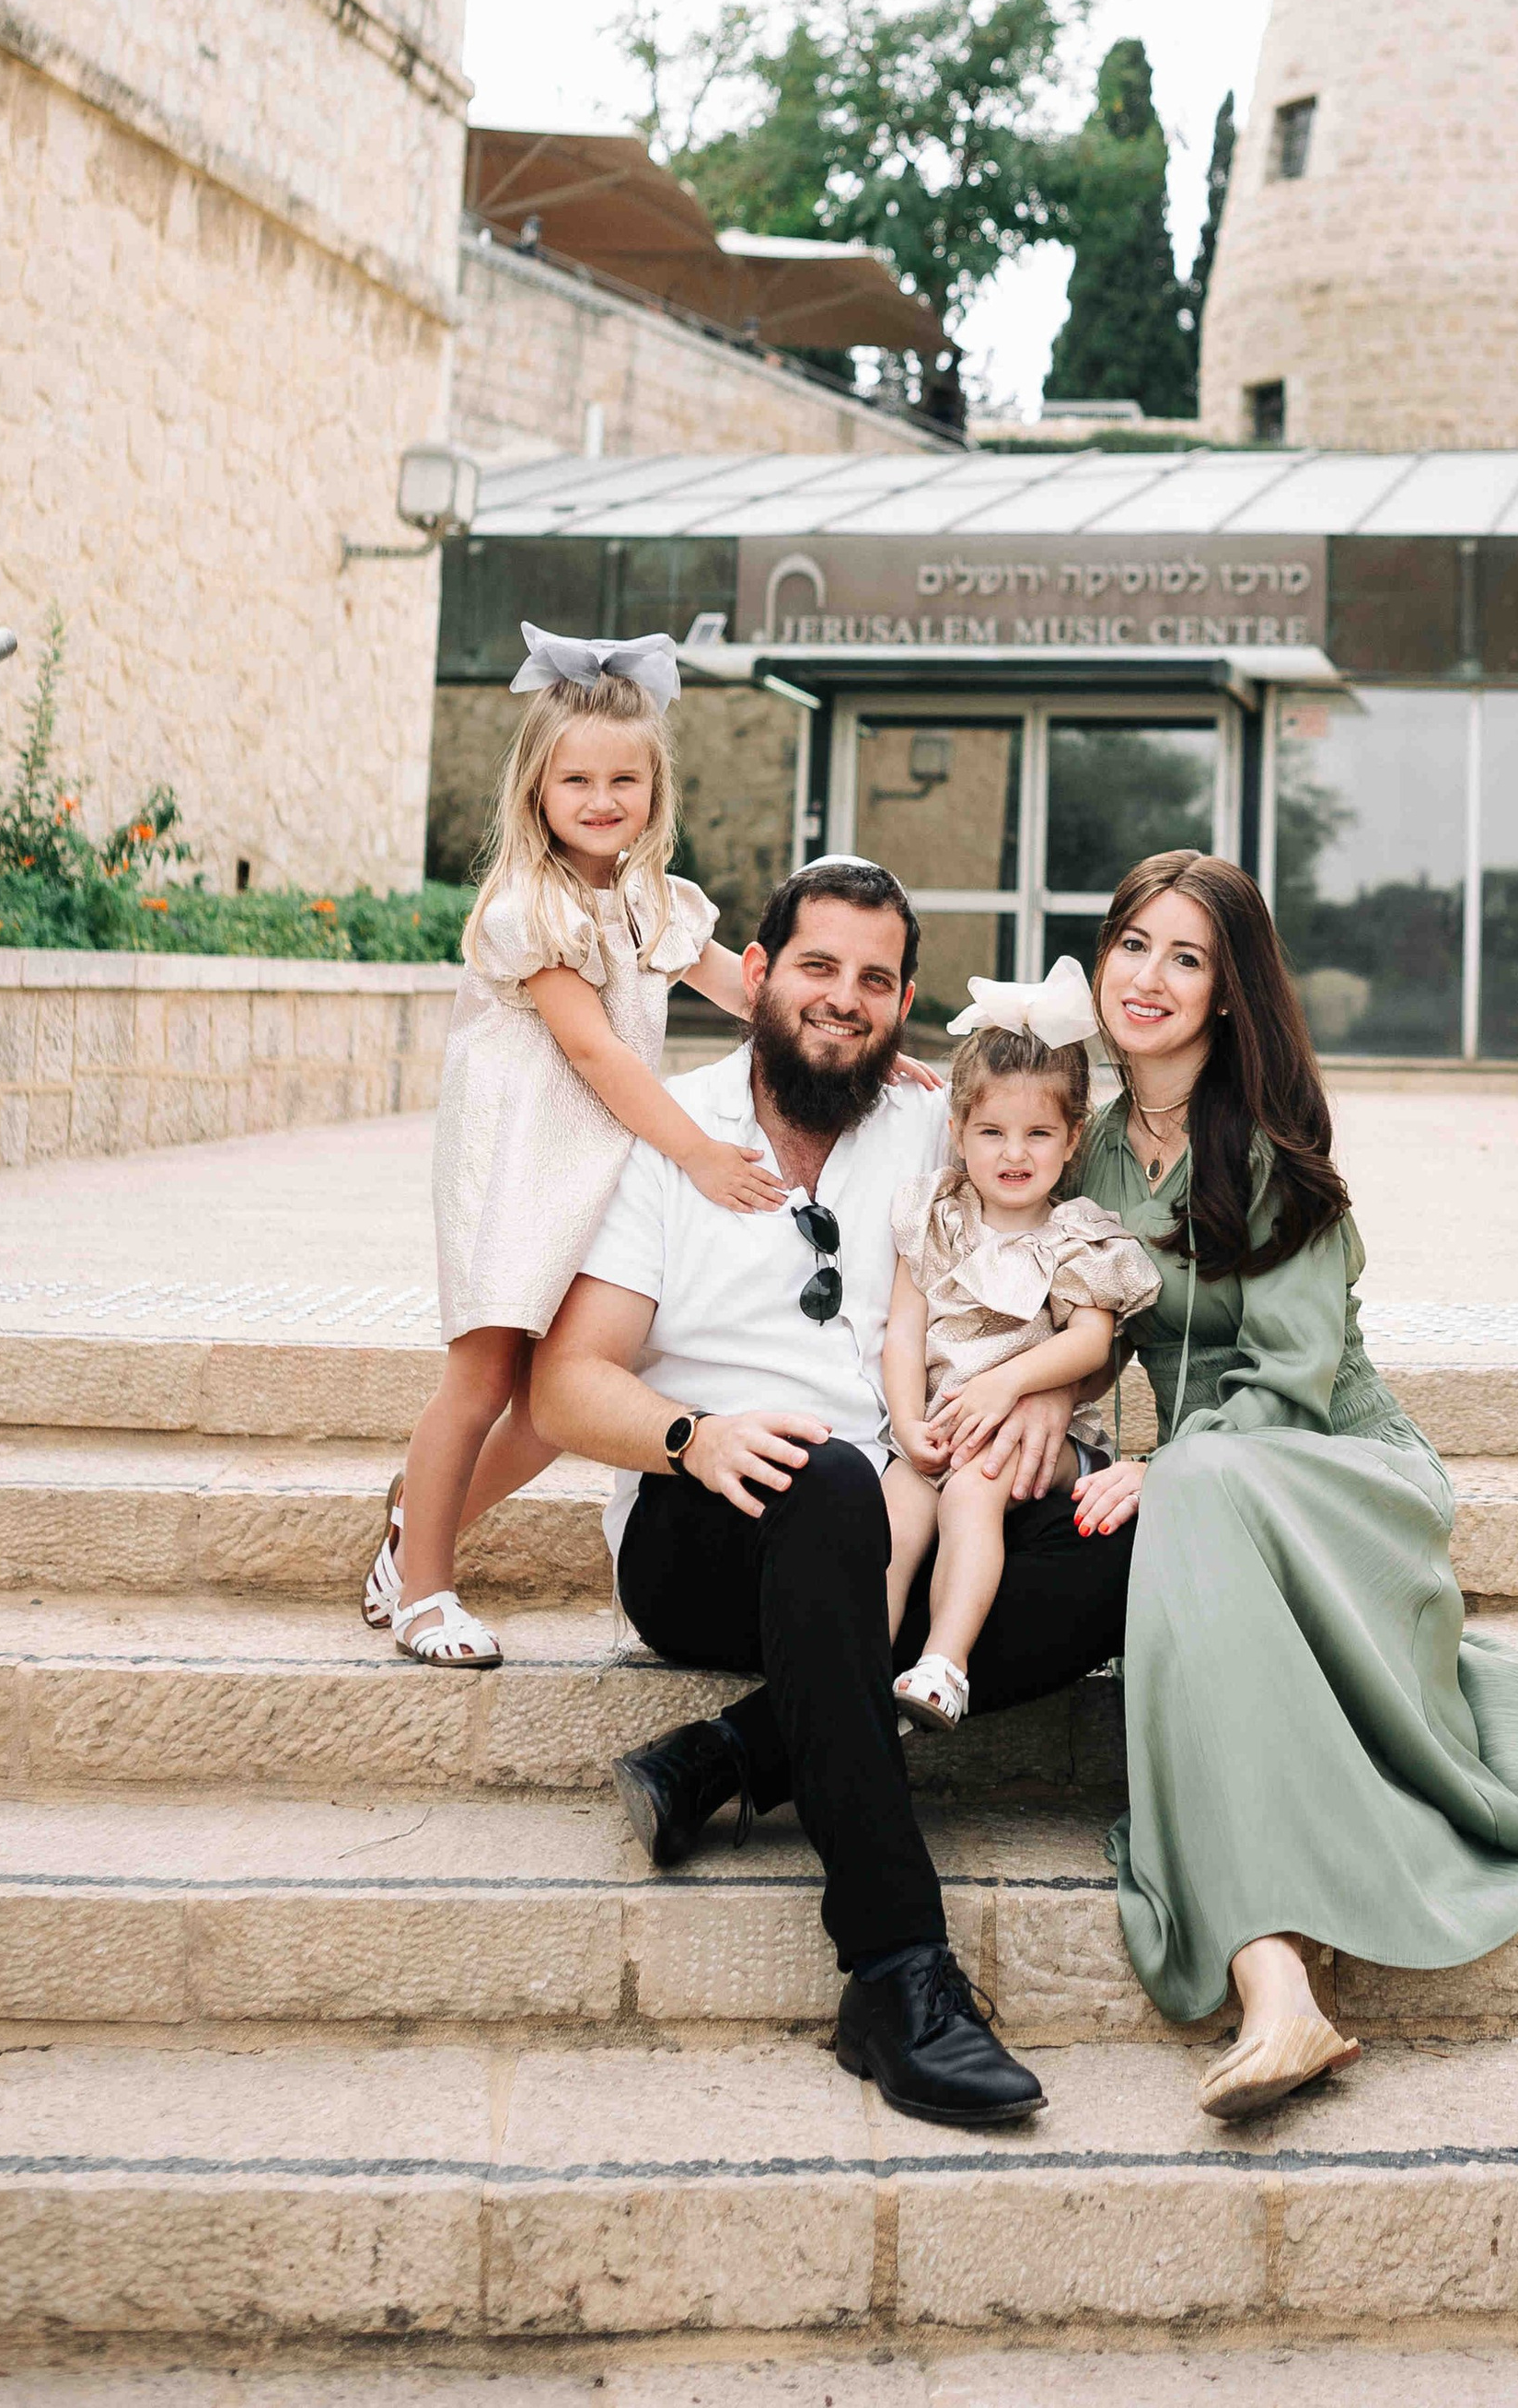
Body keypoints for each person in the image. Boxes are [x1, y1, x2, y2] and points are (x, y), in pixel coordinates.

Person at [530, 859, 1136, 2132]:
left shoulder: (937, 1125)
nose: (842, 1001)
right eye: (816, 968)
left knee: (1107, 1545)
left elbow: (1065, 1248)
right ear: (756, 977)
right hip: (714, 1529)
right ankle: (896, 1972)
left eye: (874, 980)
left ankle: (729, 1754)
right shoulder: (675, 1134)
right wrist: (690, 1435)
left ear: (905, 1004)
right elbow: (563, 1388)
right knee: (834, 1488)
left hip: (897, 1521)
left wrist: (1036, 1396)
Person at [1070, 847, 1518, 2122]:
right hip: (1205, 1491)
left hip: (1336, 1469)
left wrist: (1168, 1464)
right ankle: (1279, 1993)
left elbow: (1299, 1372)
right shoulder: (1086, 1152)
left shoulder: (1265, 1144)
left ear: (1230, 994)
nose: (1149, 977)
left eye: (1186, 958)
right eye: (1134, 944)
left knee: (1190, 1504)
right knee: (1178, 1527)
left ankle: (1276, 1972)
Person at [361, 624, 787, 1669]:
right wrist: (696, 1153)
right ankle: (423, 1594)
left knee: (563, 1399)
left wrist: (838, 1034)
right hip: (516, 1160)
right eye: (578, 780)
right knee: (484, 1379)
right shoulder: (528, 907)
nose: (602, 801)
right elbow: (595, 1050)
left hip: (593, 1160)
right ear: (538, 790)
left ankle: (415, 1525)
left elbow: (740, 986)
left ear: (654, 790)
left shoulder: (651, 898)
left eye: (624, 782)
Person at [881, 962, 1160, 1734]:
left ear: (1073, 1138)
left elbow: (1089, 1343)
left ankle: (946, 1662)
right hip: (939, 1425)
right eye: (992, 1132)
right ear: (958, 1129)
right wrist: (907, 1423)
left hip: (1043, 1441)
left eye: (1038, 1134)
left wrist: (1005, 1387)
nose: (1014, 1153)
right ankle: (861, 1659)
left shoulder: (1075, 1235)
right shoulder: (936, 1217)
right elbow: (904, 1331)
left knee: (974, 1488)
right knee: (896, 1511)